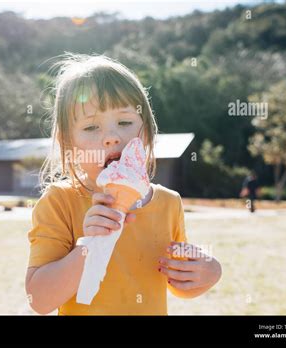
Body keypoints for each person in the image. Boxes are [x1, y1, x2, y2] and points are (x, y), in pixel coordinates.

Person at [25, 54, 222, 315]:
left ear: (148, 133)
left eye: (125, 122)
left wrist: (208, 272)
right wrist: (88, 246)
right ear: (68, 144)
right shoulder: (59, 202)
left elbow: (176, 281)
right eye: (92, 126)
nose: (111, 137)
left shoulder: (169, 203)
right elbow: (39, 300)